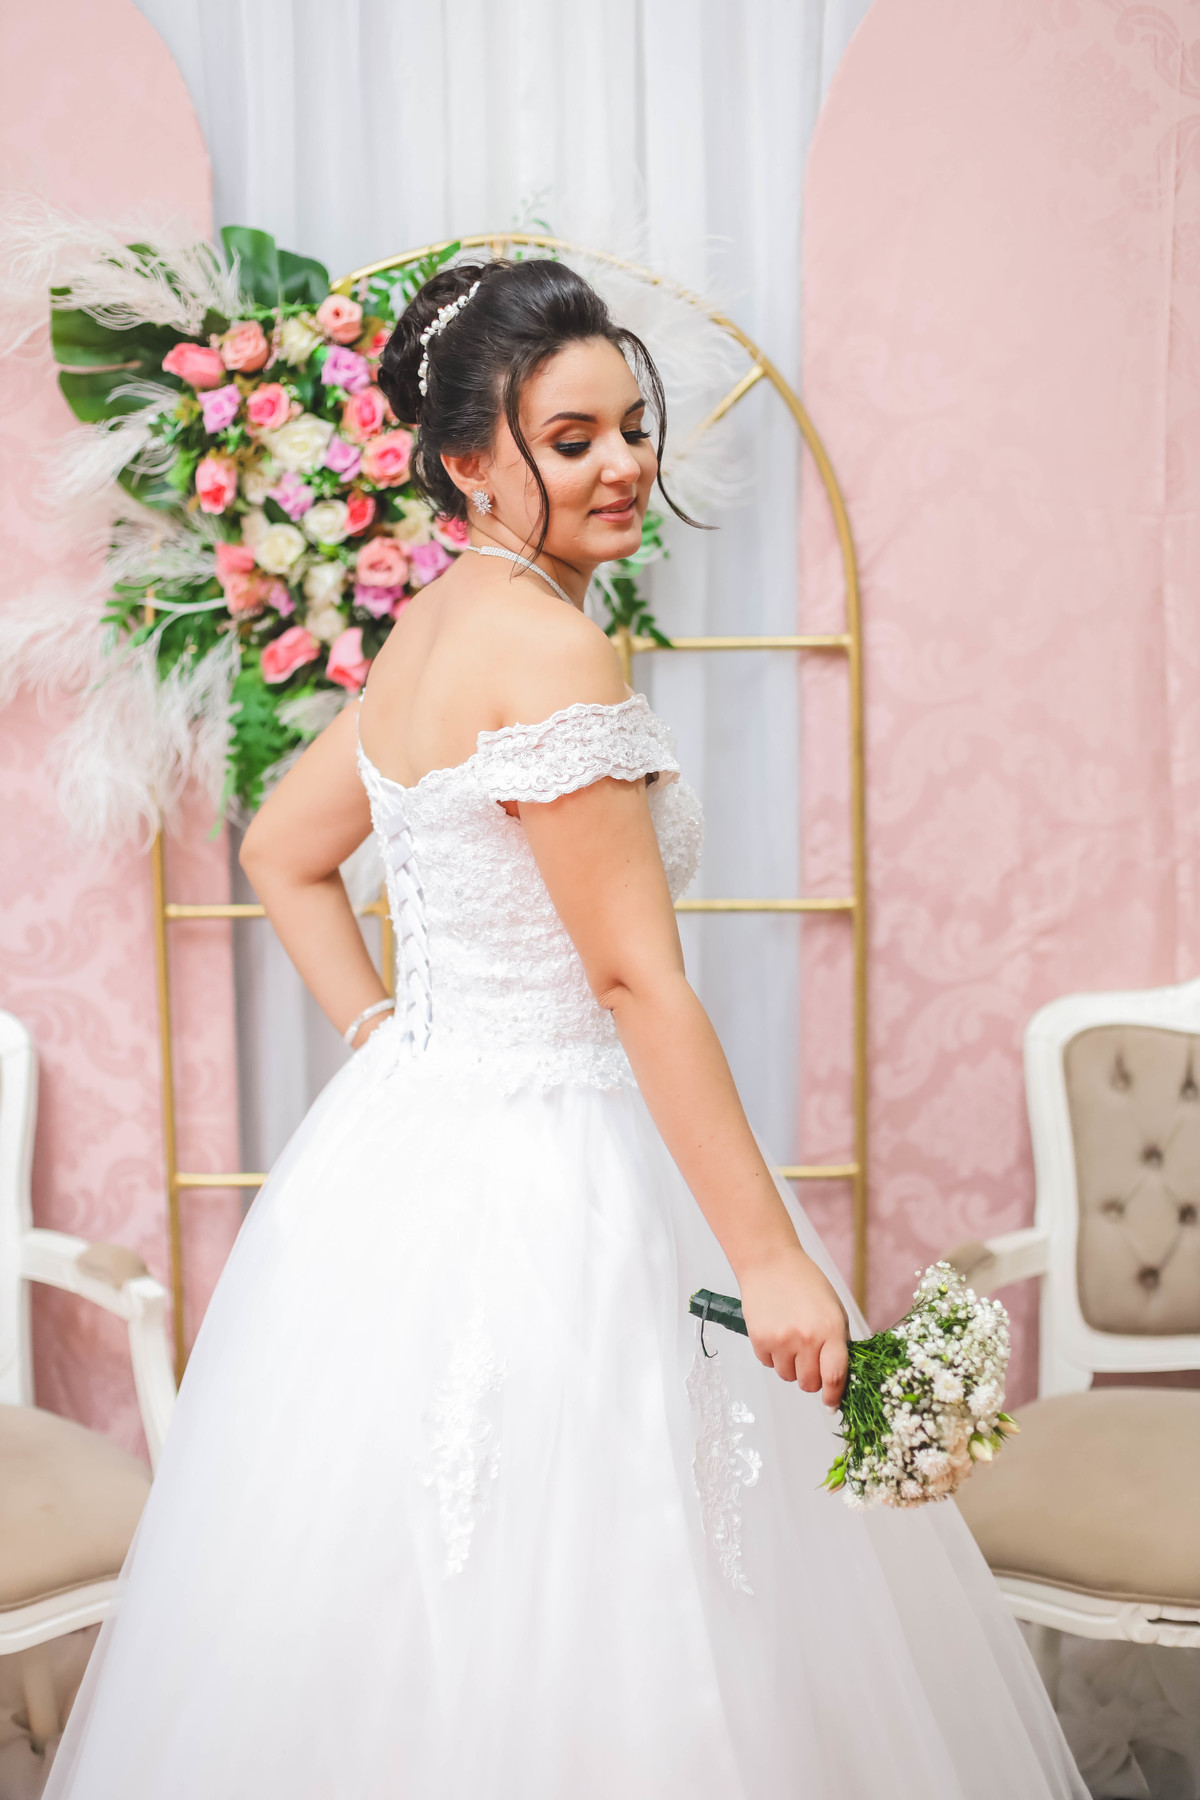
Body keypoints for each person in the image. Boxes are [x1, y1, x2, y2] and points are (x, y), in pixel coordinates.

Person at [46, 259, 1086, 1799]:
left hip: (409, 1151)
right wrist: (771, 1260)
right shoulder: (547, 651)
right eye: (572, 439)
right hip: (559, 1175)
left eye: (632, 428)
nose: (624, 467)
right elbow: (636, 982)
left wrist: (387, 1036)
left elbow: (281, 848)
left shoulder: (435, 626)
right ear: (471, 461)